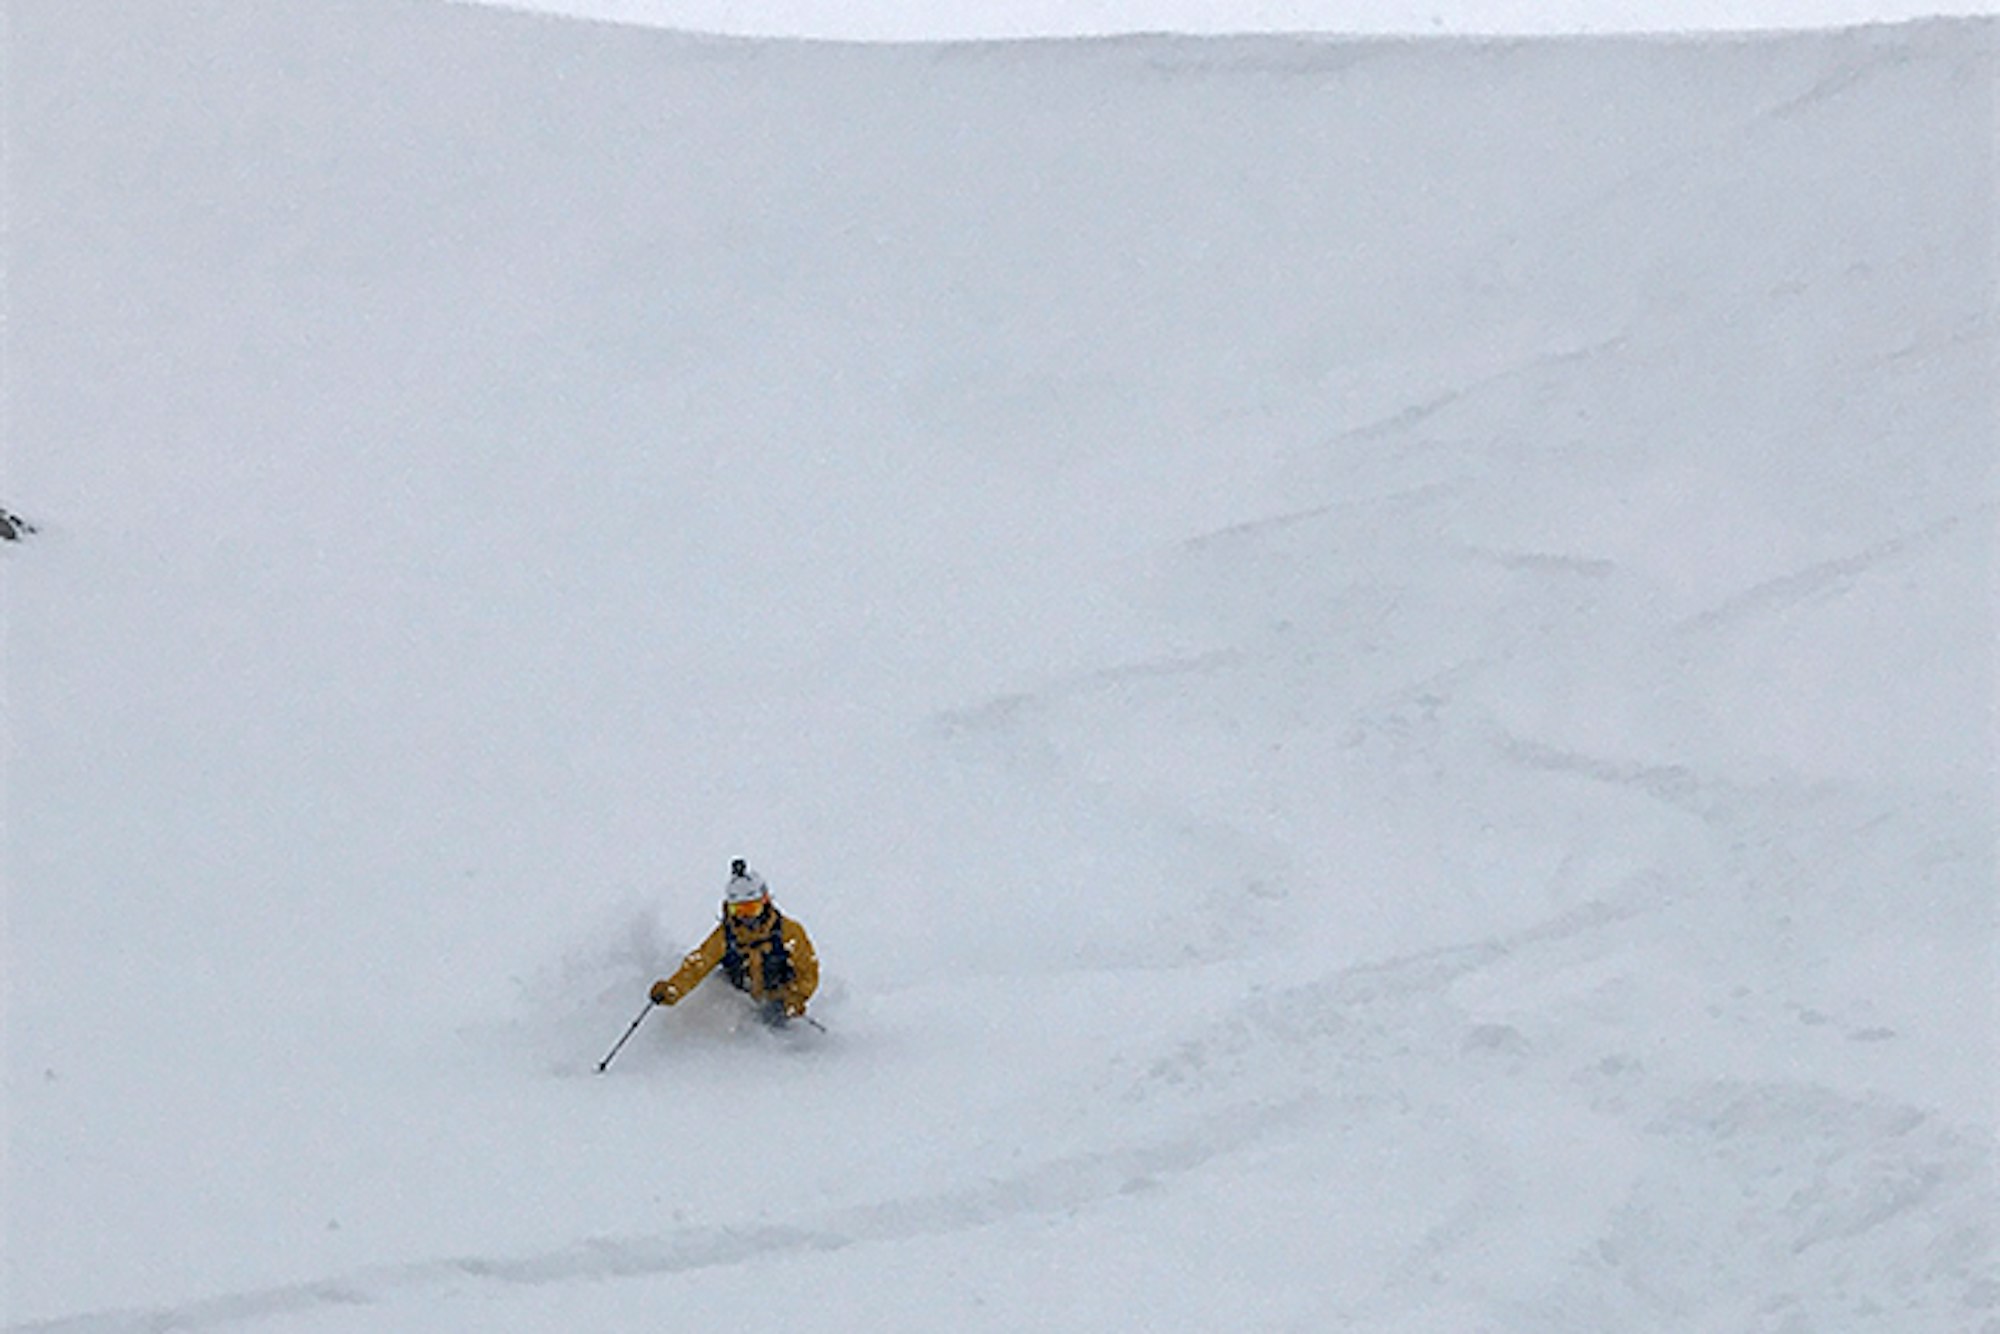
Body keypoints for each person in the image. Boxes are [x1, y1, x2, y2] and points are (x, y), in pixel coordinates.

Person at [649, 859, 819, 1024]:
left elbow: (808, 972)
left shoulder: (789, 932)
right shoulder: (725, 936)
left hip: (777, 1003)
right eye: (738, 910)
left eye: (751, 909)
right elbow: (698, 965)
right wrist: (672, 990)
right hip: (740, 1002)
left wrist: (794, 999)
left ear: (765, 902)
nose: (745, 917)